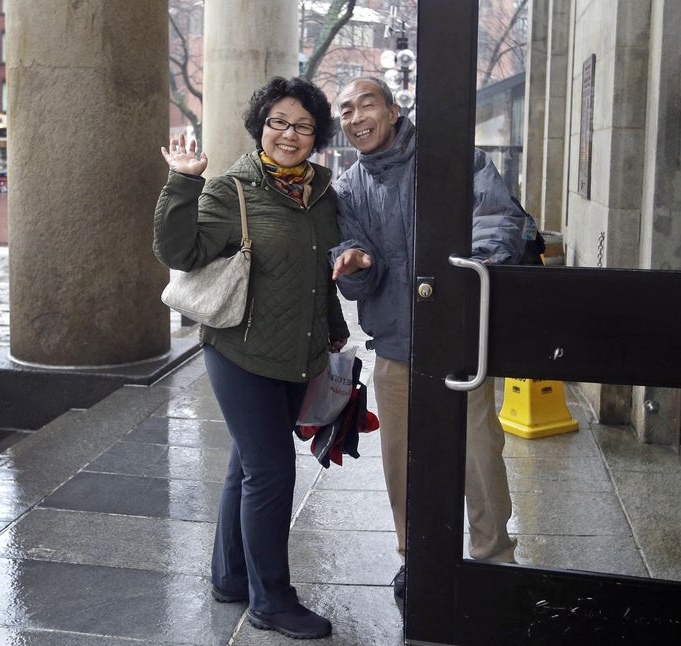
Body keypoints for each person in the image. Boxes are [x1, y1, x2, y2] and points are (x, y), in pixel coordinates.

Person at [153, 77, 348, 640]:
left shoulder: (320, 193)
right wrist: (183, 184)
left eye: (303, 125)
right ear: (261, 126)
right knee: (270, 470)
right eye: (278, 122)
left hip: (298, 351)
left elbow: (320, 271)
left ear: (318, 135)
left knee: (247, 463)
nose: (289, 134)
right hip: (239, 350)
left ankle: (231, 576)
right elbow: (178, 251)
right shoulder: (233, 189)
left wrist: (333, 330)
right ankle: (273, 600)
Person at [330, 78, 535, 601]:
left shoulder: (455, 159)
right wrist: (353, 264)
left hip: (459, 340)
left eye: (366, 104)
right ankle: (413, 558)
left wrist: (474, 275)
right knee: (400, 458)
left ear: (394, 110)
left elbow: (497, 220)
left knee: (478, 452)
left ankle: (493, 557)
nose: (355, 118)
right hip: (395, 345)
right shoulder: (349, 187)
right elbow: (355, 265)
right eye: (345, 110)